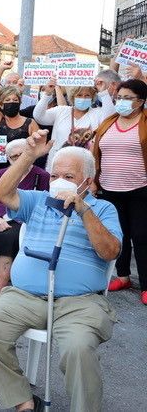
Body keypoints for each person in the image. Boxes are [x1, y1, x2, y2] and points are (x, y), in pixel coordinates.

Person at [0, 130, 121, 412]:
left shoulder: (103, 209)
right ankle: (23, 401)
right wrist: (29, 155)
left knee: (78, 349)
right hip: (26, 295)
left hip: (79, 302)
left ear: (87, 183)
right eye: (54, 176)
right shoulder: (37, 200)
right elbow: (1, 192)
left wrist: (83, 210)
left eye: (69, 177)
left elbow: (111, 252)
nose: (58, 183)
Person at [0, 139, 50, 306]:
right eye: (14, 157)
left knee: (9, 239)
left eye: (22, 155)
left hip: (22, 220)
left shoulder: (41, 176)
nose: (18, 159)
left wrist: (21, 217)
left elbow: (44, 204)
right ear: (8, 159)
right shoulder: (1, 174)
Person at [93, 79, 147, 305]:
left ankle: (146, 284)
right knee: (118, 236)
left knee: (142, 237)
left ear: (141, 102)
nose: (121, 102)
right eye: (119, 97)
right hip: (109, 189)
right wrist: (95, 181)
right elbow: (98, 154)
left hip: (140, 190)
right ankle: (123, 276)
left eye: (128, 98)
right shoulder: (108, 123)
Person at [33, 75, 115, 170]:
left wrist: (103, 92)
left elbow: (110, 117)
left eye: (87, 95)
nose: (83, 98)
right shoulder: (61, 111)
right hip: (57, 166)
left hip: (84, 168)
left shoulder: (97, 113)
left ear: (92, 97)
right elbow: (39, 116)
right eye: (79, 95)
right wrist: (47, 94)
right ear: (73, 96)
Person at [0, 61, 39, 174]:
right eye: (7, 100)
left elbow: (39, 149)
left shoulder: (30, 123)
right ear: (0, 104)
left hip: (22, 173)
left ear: (20, 103)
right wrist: (1, 69)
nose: (11, 103)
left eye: (15, 100)